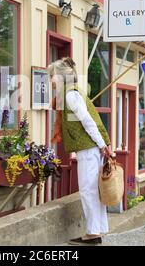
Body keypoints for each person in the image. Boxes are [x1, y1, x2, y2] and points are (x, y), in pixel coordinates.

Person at [47, 57, 114, 245]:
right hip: (91, 148)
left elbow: (87, 121)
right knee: (93, 191)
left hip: (89, 149)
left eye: (52, 76)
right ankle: (98, 230)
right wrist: (102, 145)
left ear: (61, 77)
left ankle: (93, 233)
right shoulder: (71, 93)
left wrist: (102, 145)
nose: (50, 80)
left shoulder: (71, 95)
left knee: (88, 191)